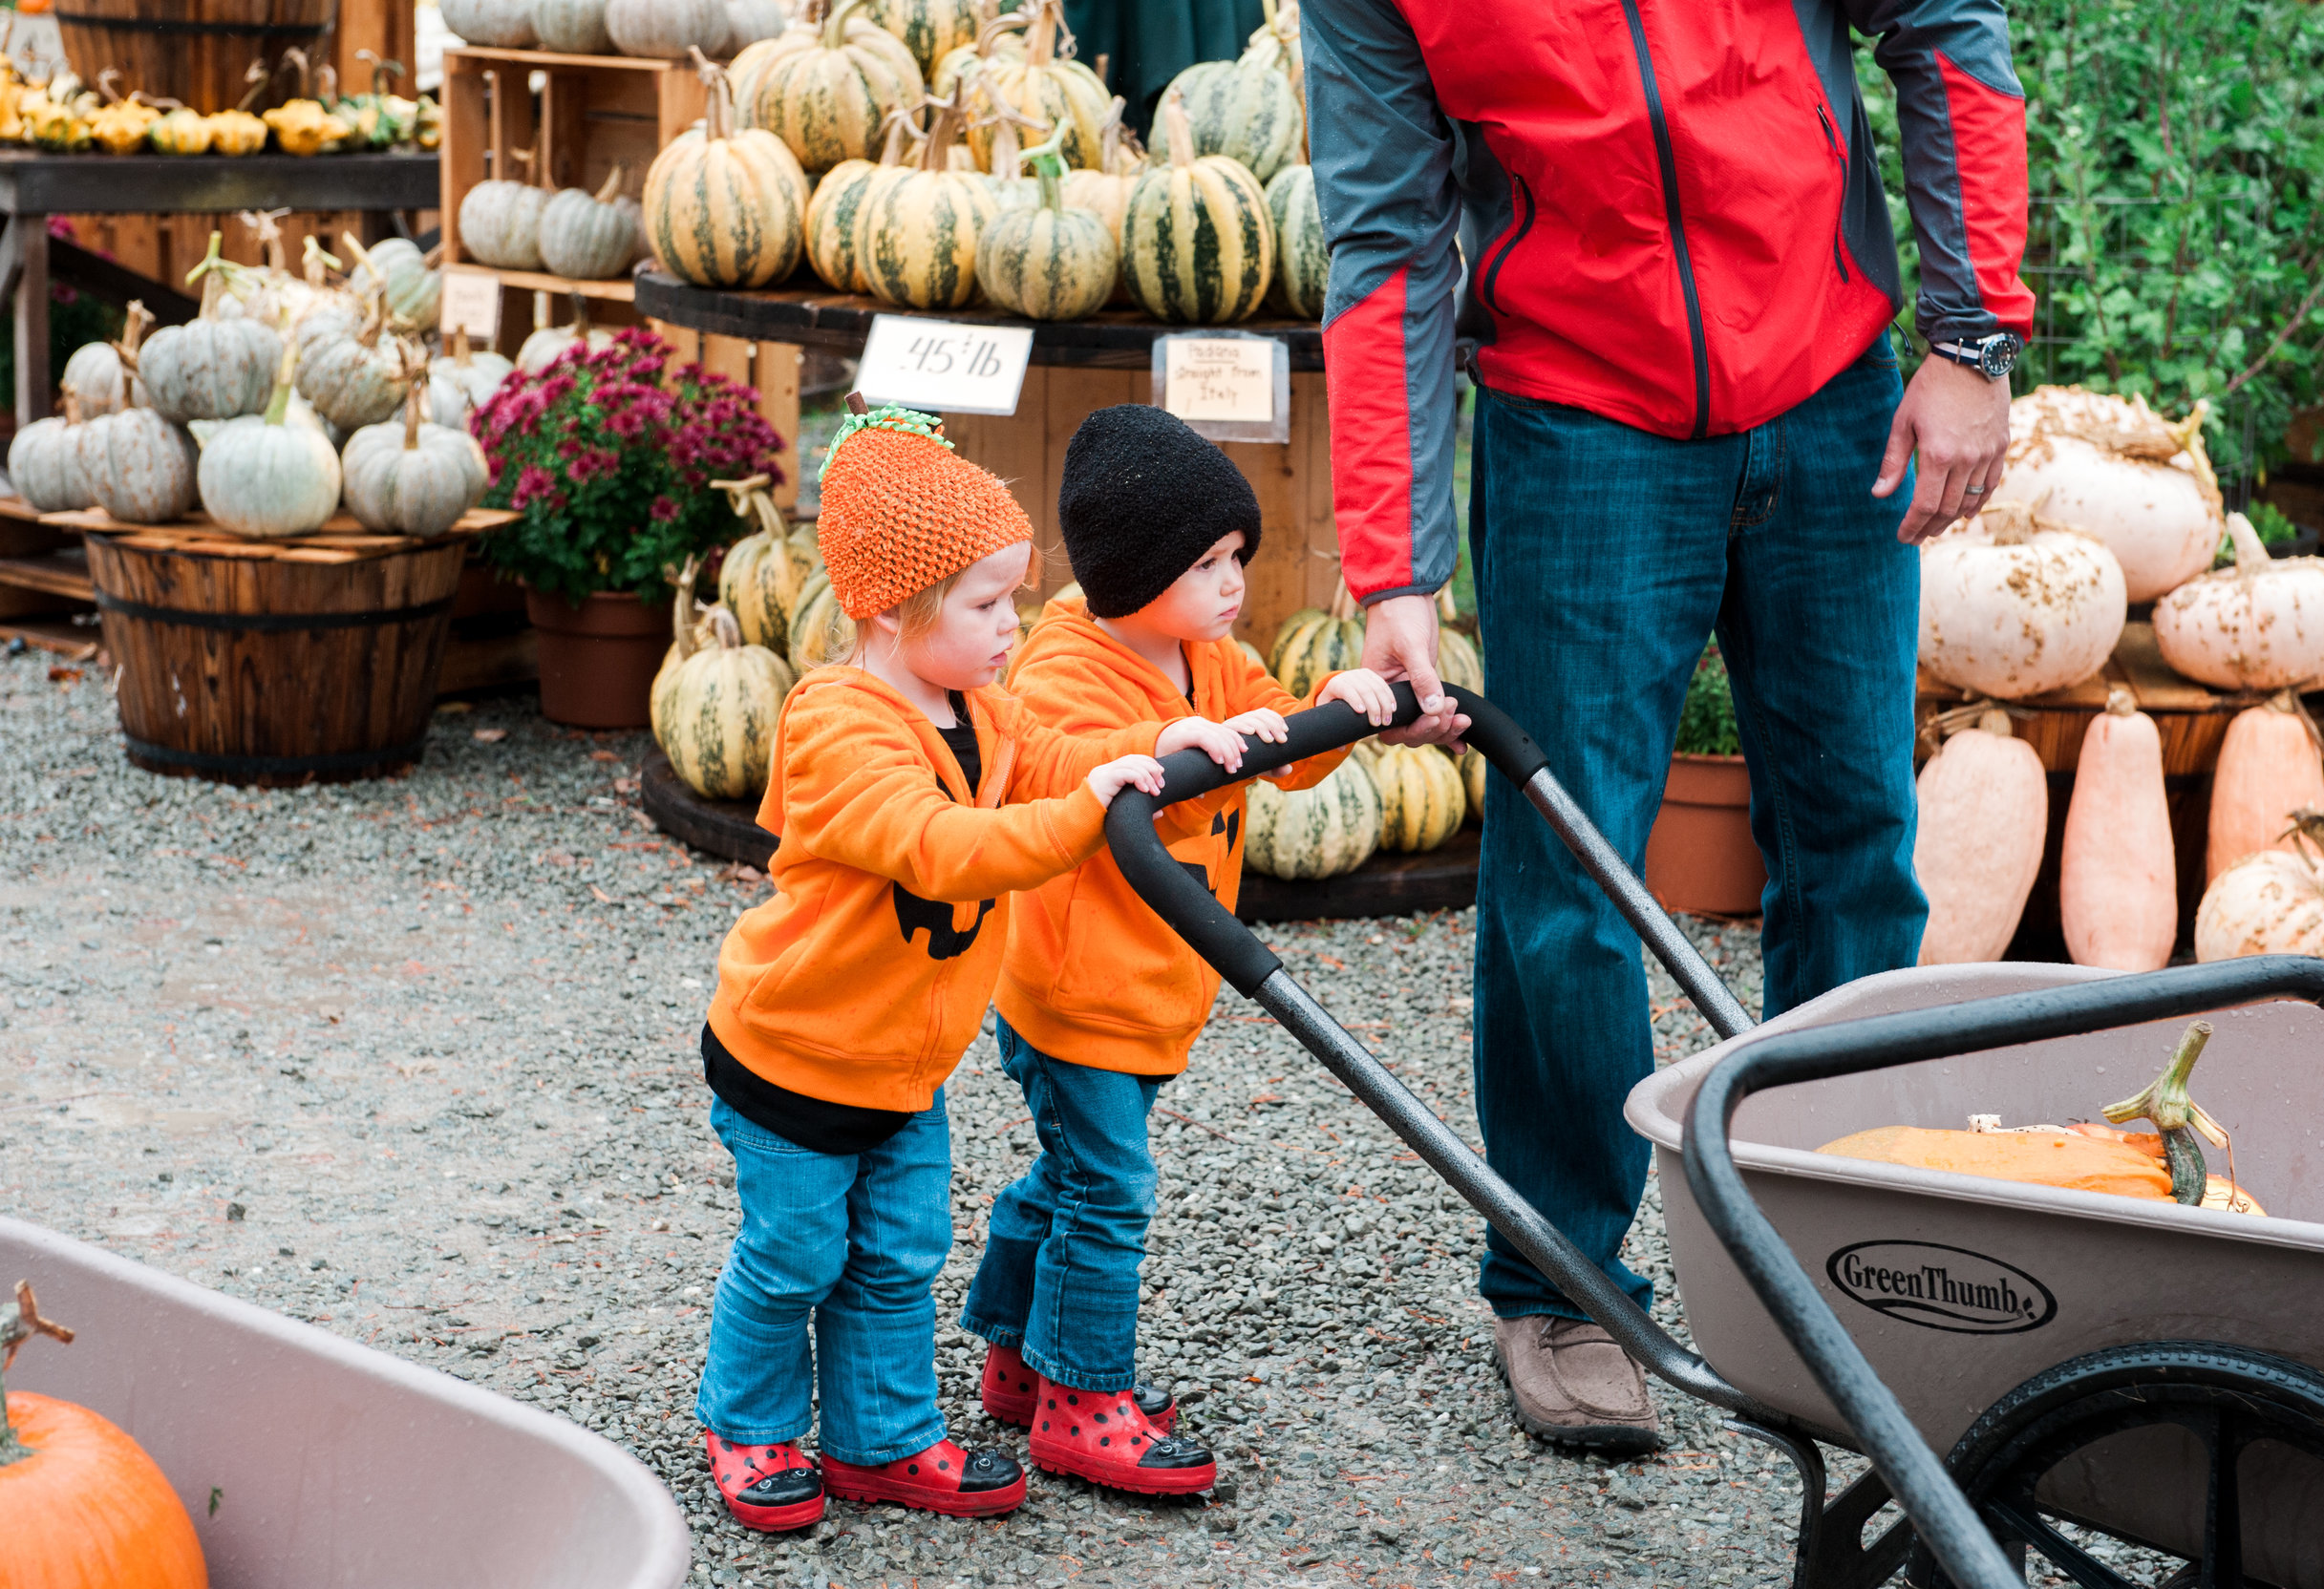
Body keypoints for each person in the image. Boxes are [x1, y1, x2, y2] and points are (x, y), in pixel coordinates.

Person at [1302, 0, 2033, 1451]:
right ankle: (1564, 1283)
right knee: (1565, 871)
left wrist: (1971, 337)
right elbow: (1387, 236)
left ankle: (1846, 1255)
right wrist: (1394, 563)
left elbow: (1947, 30)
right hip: (1579, 423)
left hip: (1833, 388)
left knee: (1856, 847)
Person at [693, 403, 1255, 1530]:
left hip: (906, 1059)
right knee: (797, 1252)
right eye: (988, 603)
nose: (1015, 624)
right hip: (799, 1055)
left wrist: (1153, 746)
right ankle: (748, 1424)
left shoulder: (975, 704)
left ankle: (882, 1438)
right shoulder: (837, 725)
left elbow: (1051, 753)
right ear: (892, 611)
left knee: (899, 1254)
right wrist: (1084, 814)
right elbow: (941, 848)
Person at [960, 405, 1398, 1494]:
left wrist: (1335, 708)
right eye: (1205, 562)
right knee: (1109, 1188)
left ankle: (1015, 1353)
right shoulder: (1066, 663)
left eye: (1235, 556)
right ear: (1131, 570)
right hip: (1075, 993)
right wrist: (1155, 744)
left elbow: (1278, 744)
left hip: (1155, 982)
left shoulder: (1212, 653)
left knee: (1070, 1173)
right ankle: (1079, 1397)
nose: (1231, 581)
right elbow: (1054, 760)